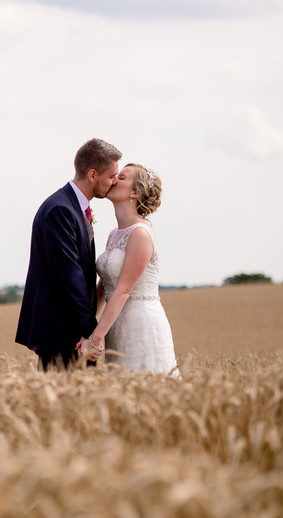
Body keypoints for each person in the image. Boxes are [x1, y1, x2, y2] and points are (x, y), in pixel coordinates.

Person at [15, 138, 121, 370]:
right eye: (112, 176)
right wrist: (90, 334)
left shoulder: (71, 206)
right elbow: (69, 278)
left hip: (69, 330)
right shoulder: (61, 210)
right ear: (93, 174)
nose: (114, 182)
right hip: (62, 332)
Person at [77, 163, 180, 376]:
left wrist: (95, 340)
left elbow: (123, 290)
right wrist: (86, 328)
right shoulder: (115, 234)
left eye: (121, 177)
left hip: (141, 324)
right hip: (116, 326)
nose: (113, 180)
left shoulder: (140, 234)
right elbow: (104, 287)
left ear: (136, 192)